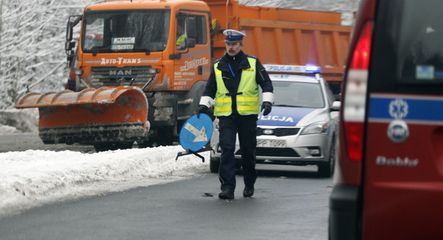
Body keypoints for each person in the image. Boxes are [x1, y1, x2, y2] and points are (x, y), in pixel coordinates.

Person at [197, 29, 273, 200]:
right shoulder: (218, 66)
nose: (231, 47)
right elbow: (210, 88)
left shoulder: (253, 63)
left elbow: (266, 83)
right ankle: (227, 188)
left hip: (247, 116)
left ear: (240, 45)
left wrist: (267, 101)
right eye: (228, 44)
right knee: (227, 149)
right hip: (226, 116)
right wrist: (203, 106)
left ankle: (249, 182)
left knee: (247, 151)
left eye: (234, 44)